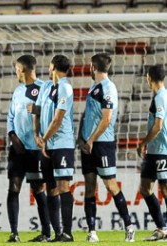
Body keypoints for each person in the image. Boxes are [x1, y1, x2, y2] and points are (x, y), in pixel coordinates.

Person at [78, 53, 135, 242]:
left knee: (110, 185)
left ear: (93, 67)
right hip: (88, 144)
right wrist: (82, 138)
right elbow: (87, 115)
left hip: (102, 144)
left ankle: (129, 225)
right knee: (89, 187)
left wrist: (92, 139)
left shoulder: (108, 88)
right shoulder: (94, 88)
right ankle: (92, 231)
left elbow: (107, 118)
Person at [6, 55, 52, 242]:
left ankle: (46, 232)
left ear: (23, 69)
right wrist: (12, 136)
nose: (16, 72)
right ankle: (14, 233)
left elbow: (50, 113)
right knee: (13, 188)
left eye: (17, 68)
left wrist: (36, 111)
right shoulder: (17, 91)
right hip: (17, 148)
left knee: (38, 188)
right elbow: (10, 117)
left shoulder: (43, 88)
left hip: (35, 149)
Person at [33, 55, 75, 242]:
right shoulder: (46, 86)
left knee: (63, 186)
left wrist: (43, 138)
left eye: (49, 65)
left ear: (53, 66)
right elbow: (37, 110)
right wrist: (36, 134)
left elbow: (58, 120)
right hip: (45, 144)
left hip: (62, 144)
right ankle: (57, 233)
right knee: (50, 187)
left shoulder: (65, 88)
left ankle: (67, 232)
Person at [137, 64, 167, 241]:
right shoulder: (159, 96)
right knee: (145, 188)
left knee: (165, 189)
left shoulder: (161, 97)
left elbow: (158, 126)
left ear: (150, 77)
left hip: (162, 150)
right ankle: (162, 228)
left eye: (147, 76)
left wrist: (142, 143)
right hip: (154, 151)